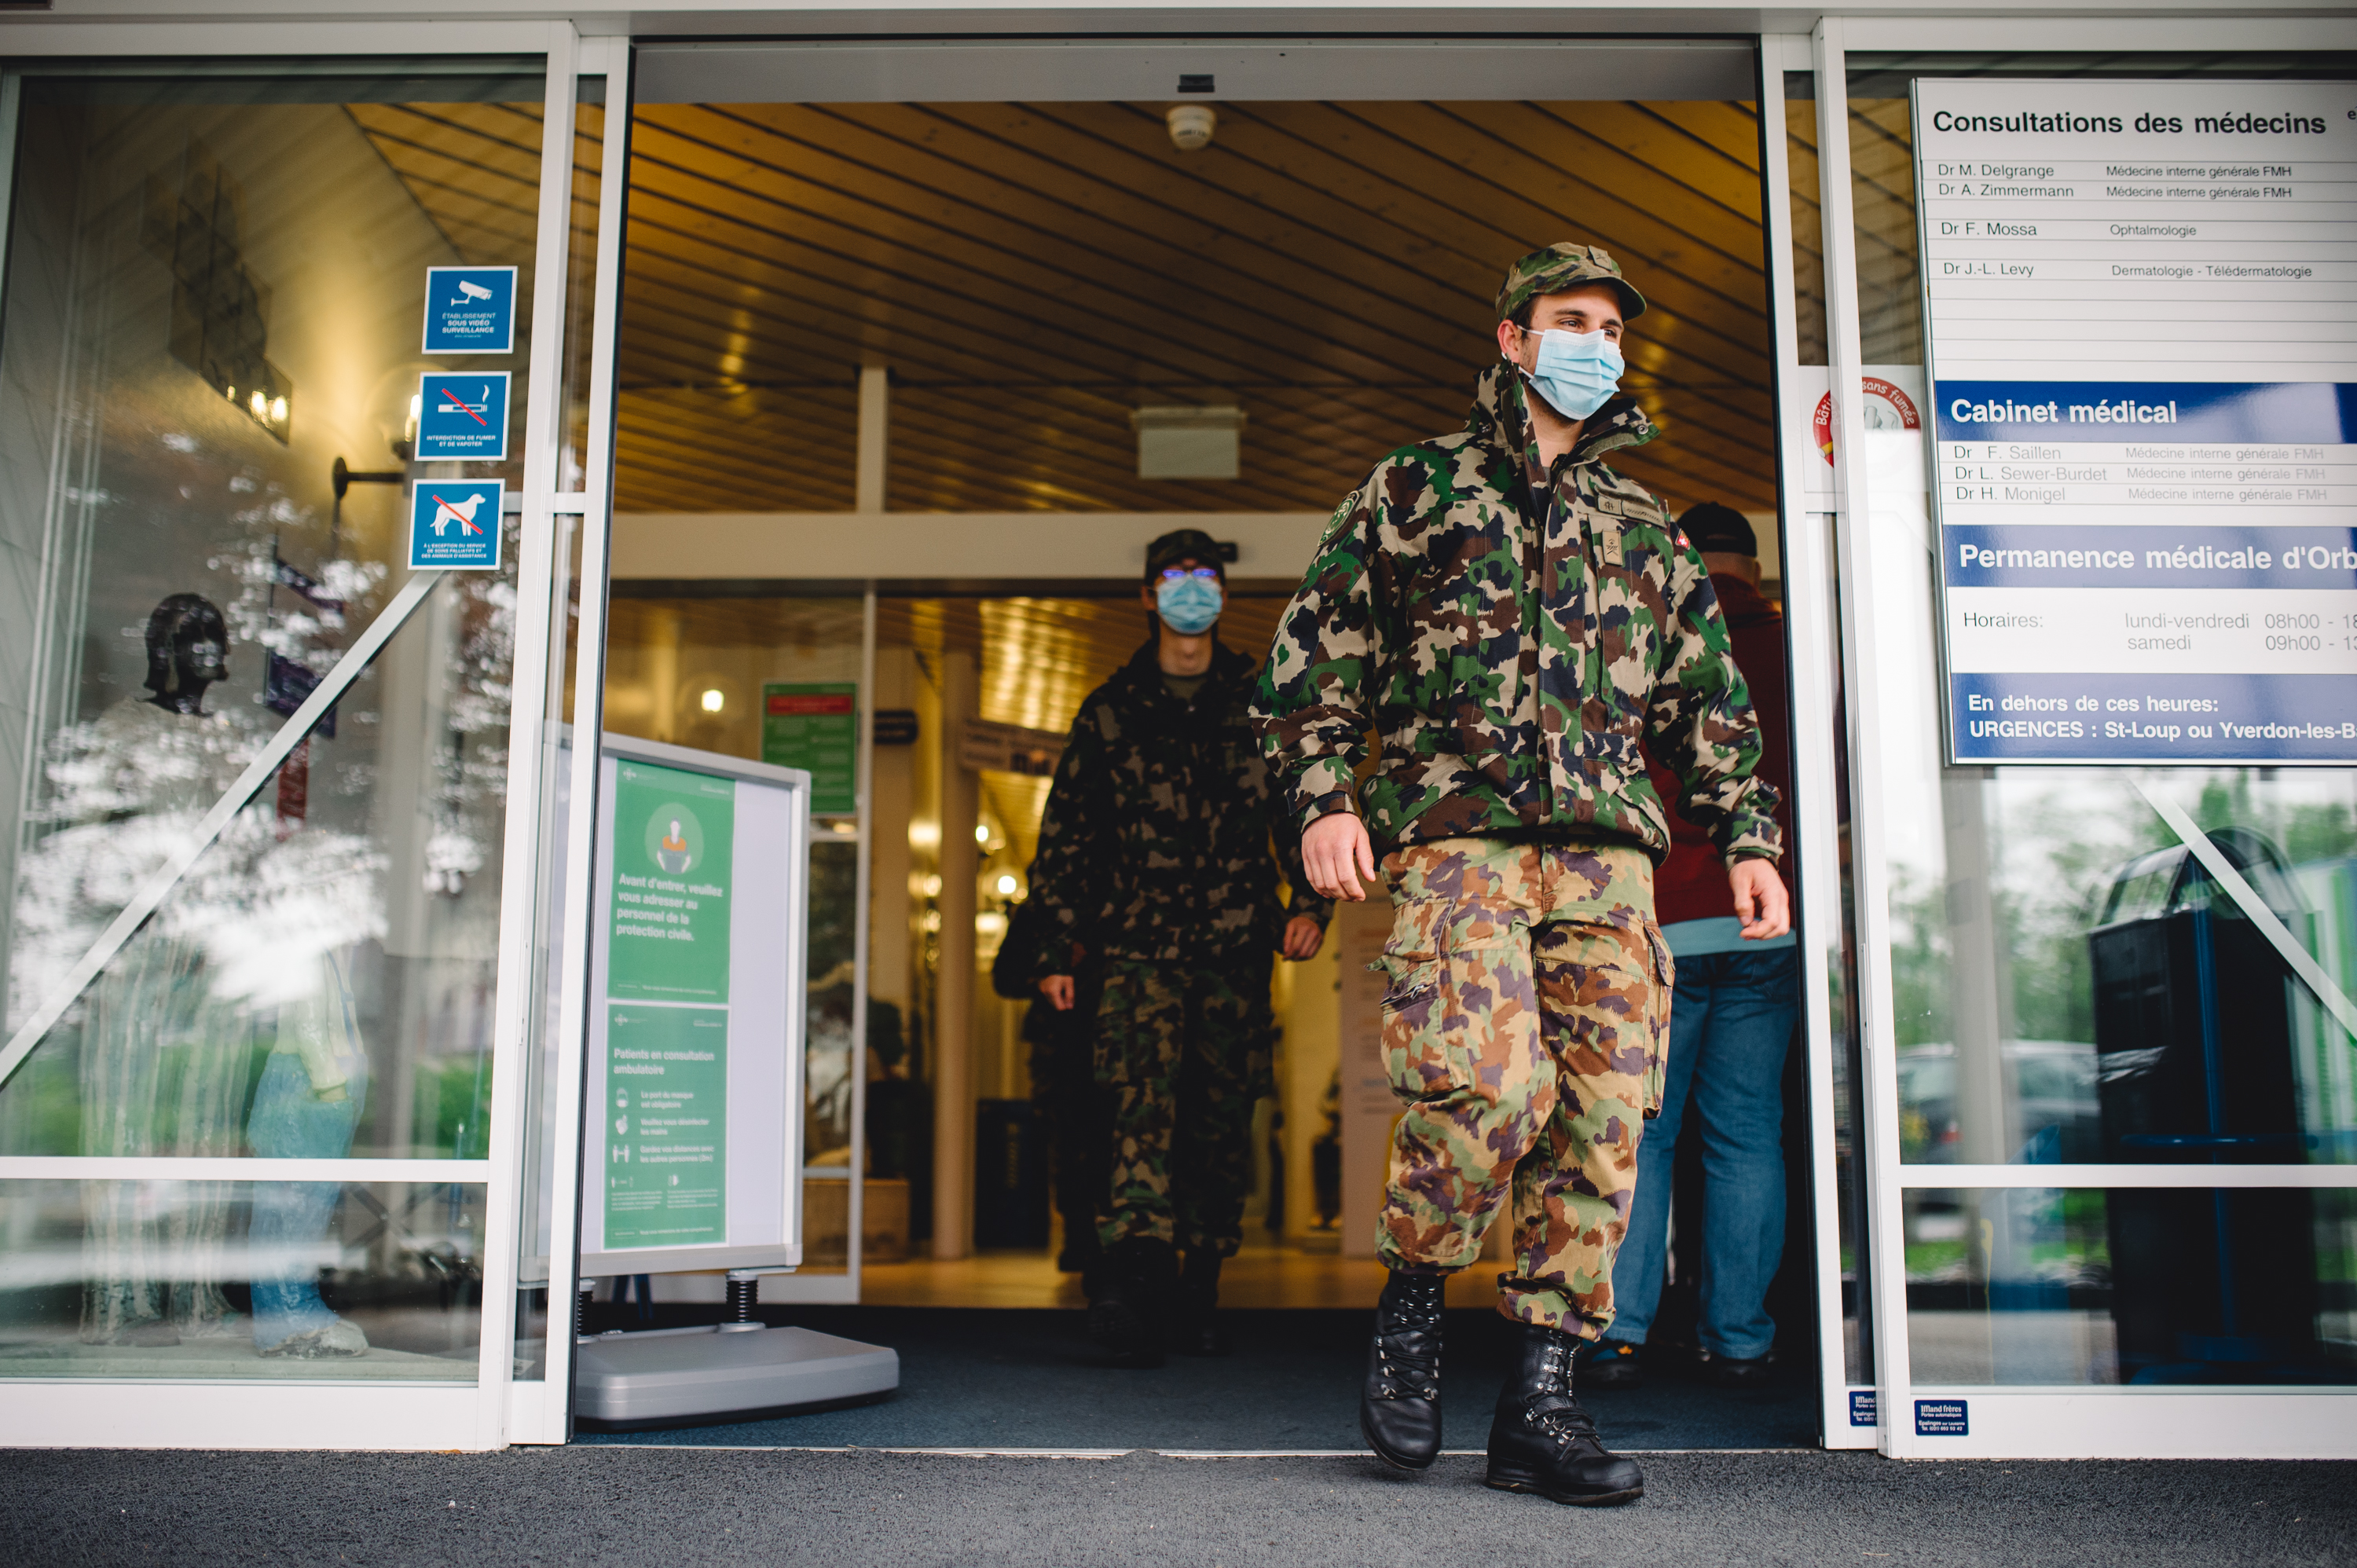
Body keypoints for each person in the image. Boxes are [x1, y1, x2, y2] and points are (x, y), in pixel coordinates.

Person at [1253, 244, 1788, 1506]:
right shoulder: (1415, 489)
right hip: (1459, 846)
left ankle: (1540, 1405)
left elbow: (1708, 706)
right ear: (1512, 337)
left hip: (1609, 864)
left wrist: (1751, 836)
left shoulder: (1646, 525)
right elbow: (1311, 663)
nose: (1594, 339)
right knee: (1486, 1091)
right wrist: (1325, 803)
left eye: (1609, 324)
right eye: (1570, 319)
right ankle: (1412, 1308)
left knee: (1605, 1127)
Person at [1028, 528, 1332, 1364]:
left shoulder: (1260, 699)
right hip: (1135, 952)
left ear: (1223, 596)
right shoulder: (1110, 708)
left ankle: (1200, 1281)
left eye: (1205, 575)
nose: (1190, 588)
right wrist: (1055, 948)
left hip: (1235, 949)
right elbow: (1068, 840)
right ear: (1147, 594)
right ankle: (1132, 1281)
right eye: (1174, 575)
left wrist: (1308, 902)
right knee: (1134, 1108)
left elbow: (1300, 810)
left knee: (1218, 1120)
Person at [1585, 504, 1798, 1390]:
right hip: (1768, 916)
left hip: (1666, 917)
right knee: (1747, 1133)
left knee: (1647, 1134)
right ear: (1754, 566)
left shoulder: (1657, 640)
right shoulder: (1803, 649)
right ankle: (1739, 1338)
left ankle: (1620, 1329)